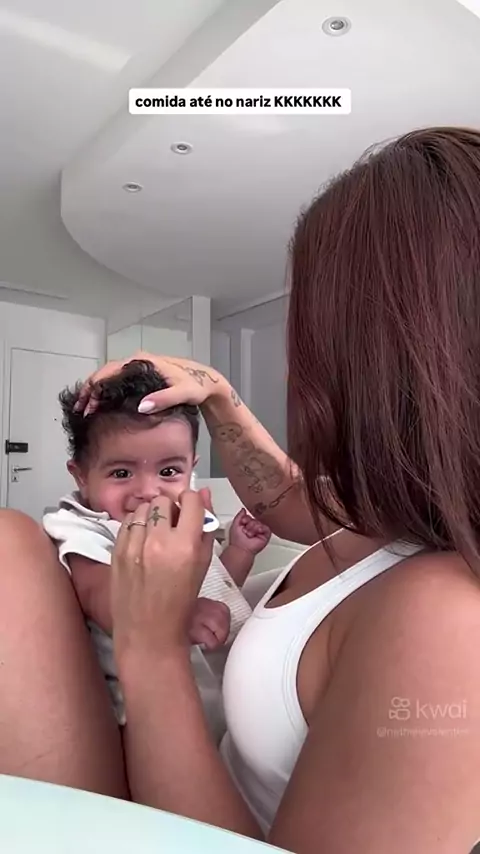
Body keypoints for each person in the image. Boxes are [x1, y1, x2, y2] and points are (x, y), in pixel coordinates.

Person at [1, 124, 479, 853]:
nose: (295, 367)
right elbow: (285, 498)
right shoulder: (400, 510)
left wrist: (151, 644)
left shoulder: (447, 620)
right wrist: (216, 394)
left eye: (310, 328)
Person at [43, 358, 271, 740]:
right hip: (146, 721)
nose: (149, 491)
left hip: (221, 706)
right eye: (121, 473)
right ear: (81, 476)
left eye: (168, 471)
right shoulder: (83, 527)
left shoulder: (185, 518)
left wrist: (240, 552)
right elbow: (97, 592)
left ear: (191, 468)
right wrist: (173, 615)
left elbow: (214, 586)